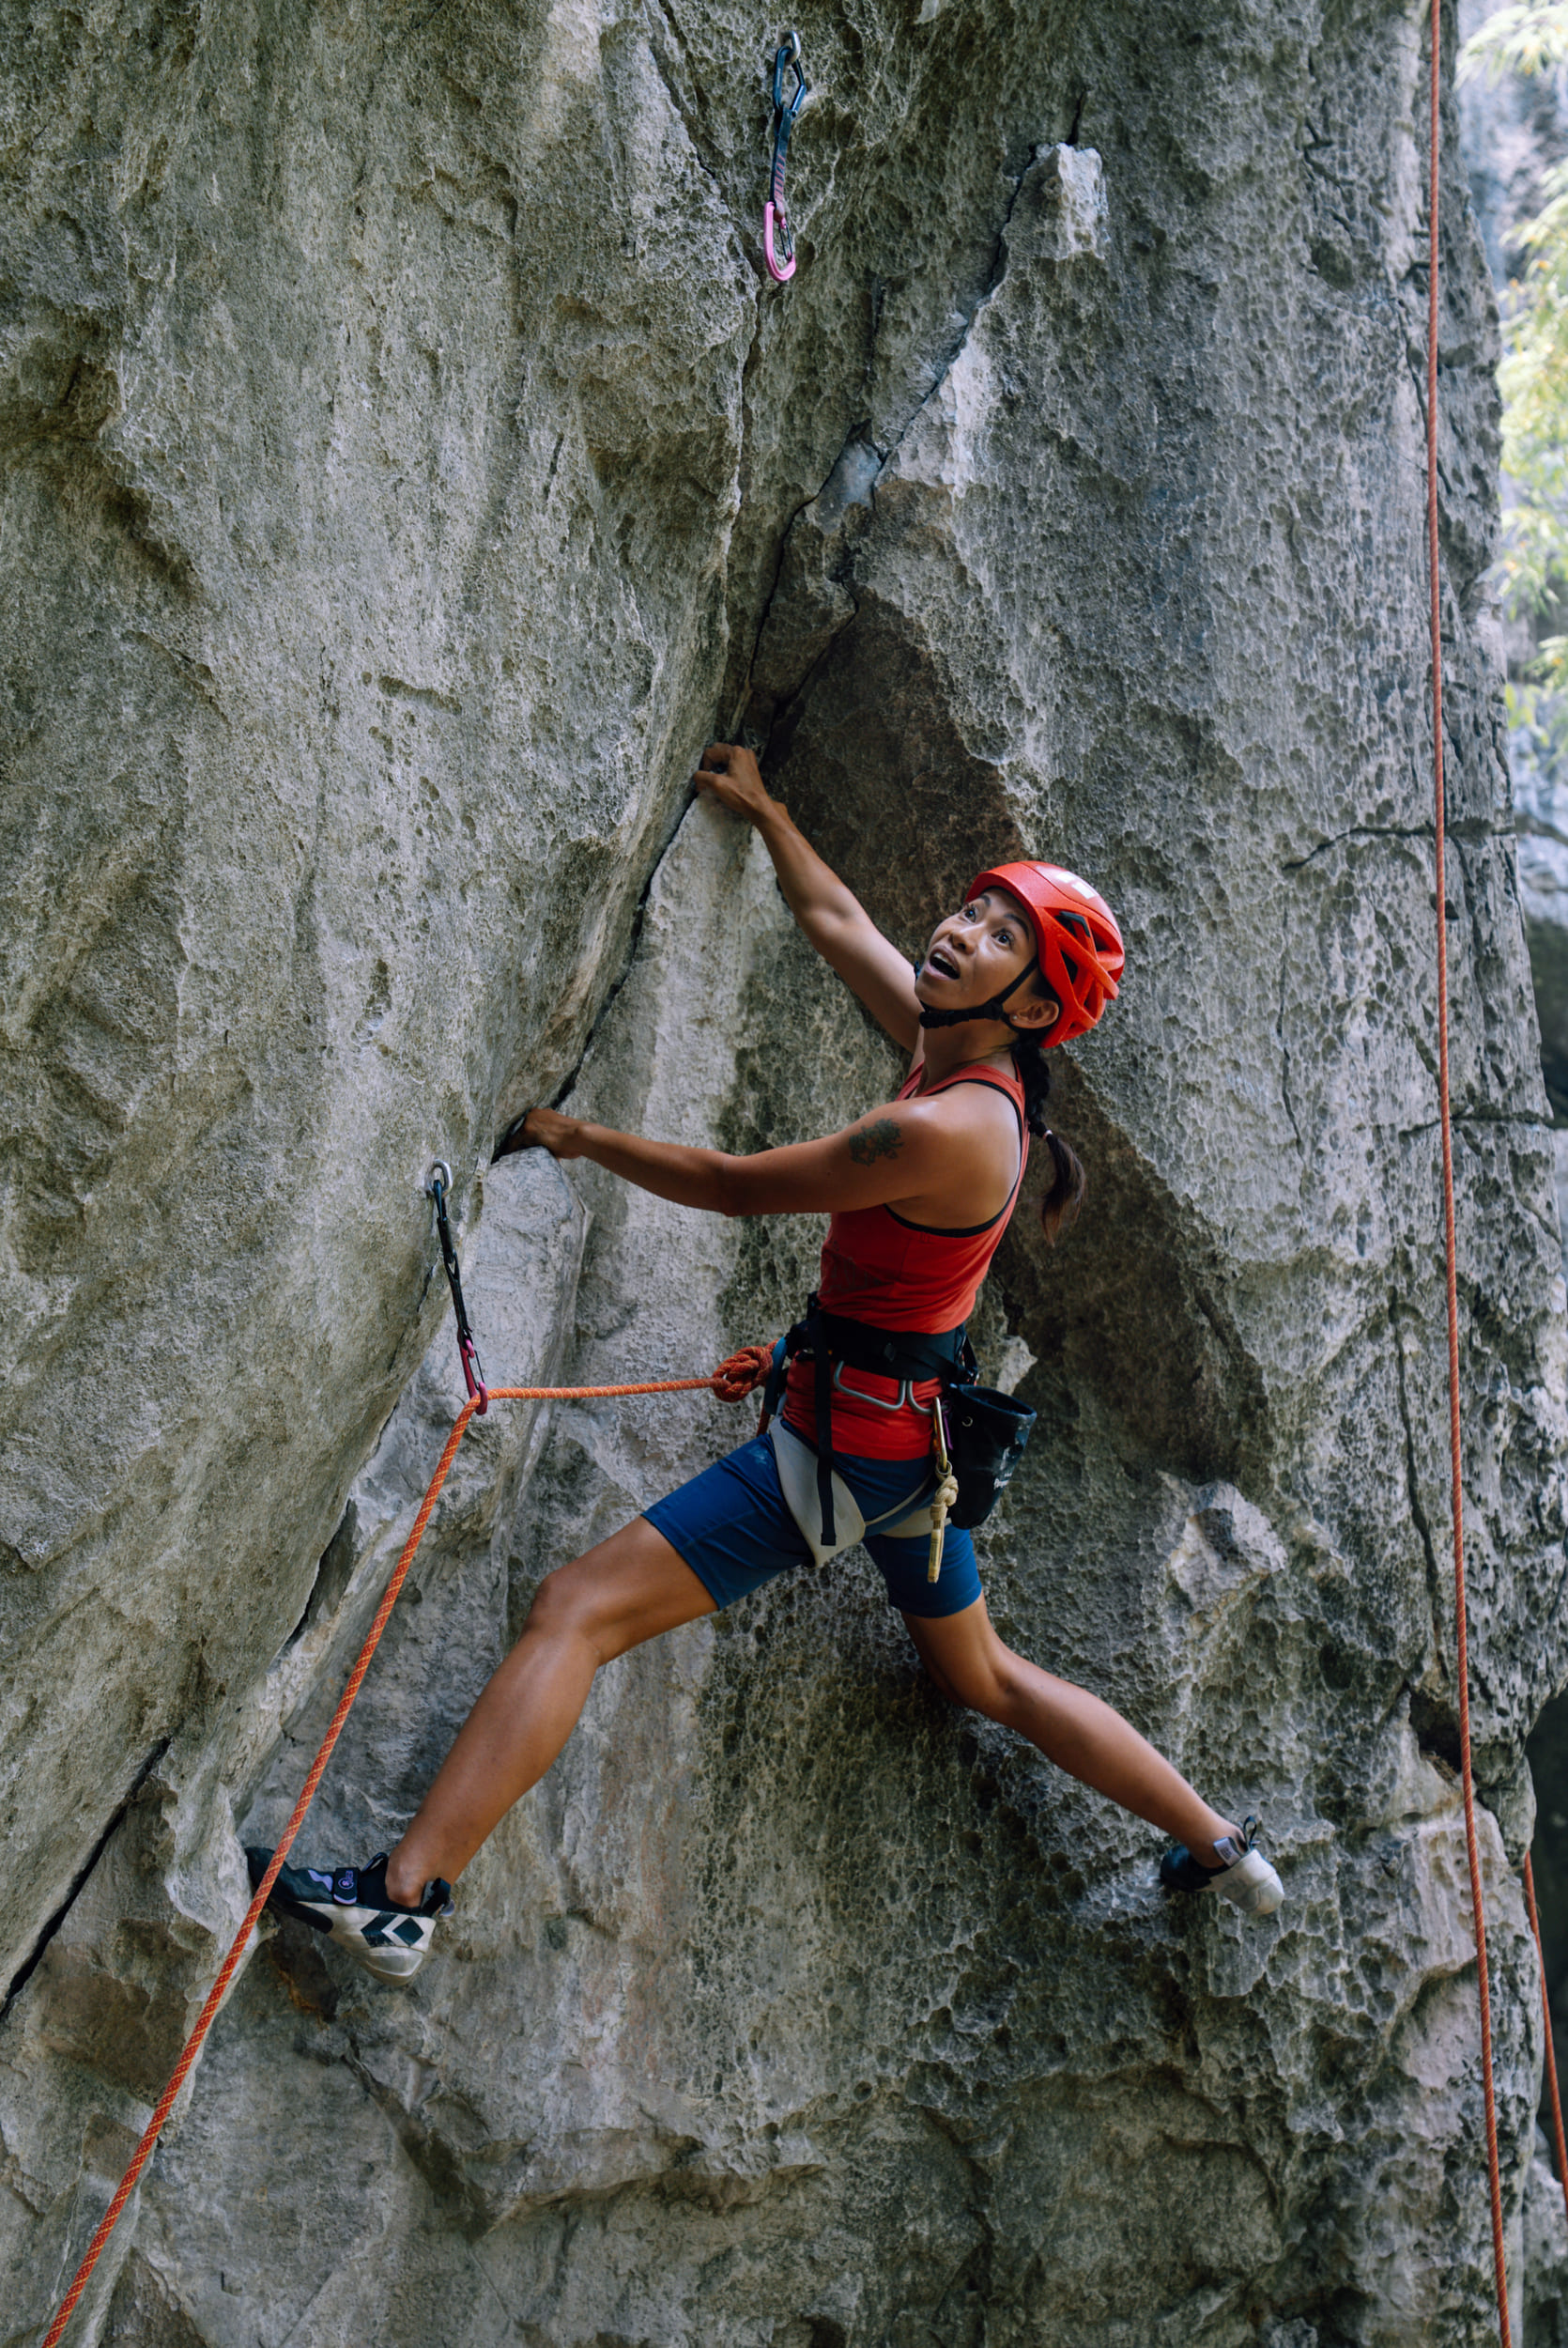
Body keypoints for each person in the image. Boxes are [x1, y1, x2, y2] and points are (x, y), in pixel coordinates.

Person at [249, 745, 1282, 1980]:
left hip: (853, 1453)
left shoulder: (940, 1124)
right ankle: (1217, 1842)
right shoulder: (964, 1064)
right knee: (981, 1675)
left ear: (1028, 1007)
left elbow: (738, 1191)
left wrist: (578, 1135)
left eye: (998, 936)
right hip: (896, 1434)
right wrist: (767, 809)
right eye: (971, 909)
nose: (958, 933)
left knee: (575, 1611)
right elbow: (837, 918)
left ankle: (403, 1897)